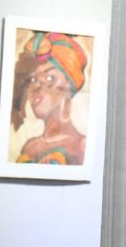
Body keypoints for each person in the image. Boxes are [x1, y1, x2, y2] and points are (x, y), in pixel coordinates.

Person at [13, 32, 88, 165]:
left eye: (50, 78)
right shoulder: (29, 147)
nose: (37, 87)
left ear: (68, 89)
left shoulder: (82, 146)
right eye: (32, 79)